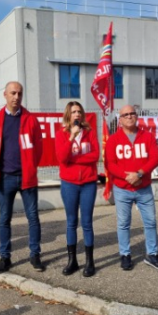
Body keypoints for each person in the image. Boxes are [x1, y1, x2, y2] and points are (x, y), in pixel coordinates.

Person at [0, 81, 44, 273]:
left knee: (33, 218)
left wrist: (29, 166)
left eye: (19, 93)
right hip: (5, 178)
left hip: (27, 178)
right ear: (5, 95)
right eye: (13, 93)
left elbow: (38, 148)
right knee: (4, 219)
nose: (16, 97)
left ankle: (35, 255)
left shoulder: (30, 119)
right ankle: (5, 257)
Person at [105, 105, 158, 272]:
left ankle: (152, 254)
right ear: (120, 119)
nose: (129, 116)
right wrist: (127, 176)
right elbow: (110, 164)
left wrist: (139, 174)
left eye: (132, 113)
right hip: (122, 189)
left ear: (137, 116)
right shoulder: (113, 140)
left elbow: (155, 158)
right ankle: (125, 254)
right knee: (124, 223)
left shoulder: (147, 136)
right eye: (125, 114)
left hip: (143, 188)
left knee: (150, 221)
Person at [55, 101, 100, 277]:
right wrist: (72, 137)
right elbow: (62, 157)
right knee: (71, 222)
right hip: (69, 184)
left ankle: (90, 262)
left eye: (79, 111)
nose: (77, 114)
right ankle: (72, 261)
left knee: (87, 223)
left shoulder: (89, 133)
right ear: (68, 114)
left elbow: (95, 155)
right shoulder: (61, 135)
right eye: (74, 112)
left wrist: (75, 159)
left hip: (88, 183)